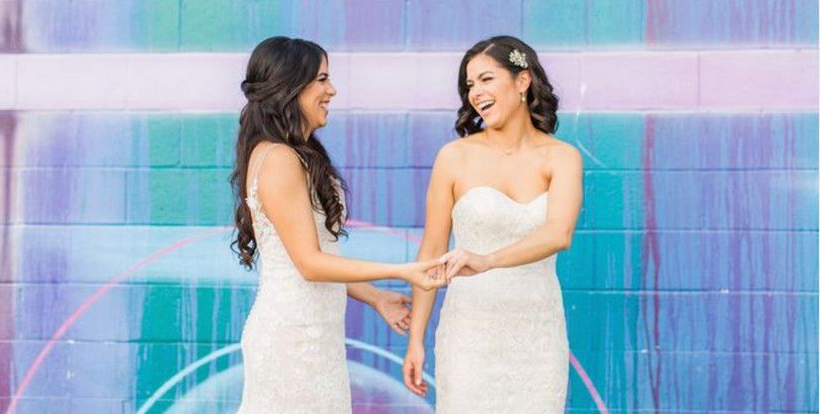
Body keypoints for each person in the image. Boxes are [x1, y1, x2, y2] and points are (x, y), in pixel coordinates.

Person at [231, 36, 446, 414]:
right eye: (321, 79)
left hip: (314, 339)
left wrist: (377, 296)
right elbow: (309, 264)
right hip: (292, 342)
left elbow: (317, 259)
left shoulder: (295, 154)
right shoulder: (279, 158)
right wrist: (402, 270)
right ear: (290, 86)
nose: (332, 90)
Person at [402, 35, 583, 413]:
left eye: (486, 79)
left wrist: (486, 260)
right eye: (469, 85)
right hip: (469, 334)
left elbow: (558, 234)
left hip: (538, 335)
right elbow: (432, 250)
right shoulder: (454, 158)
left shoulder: (563, 158)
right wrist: (415, 340)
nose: (475, 93)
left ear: (522, 81)